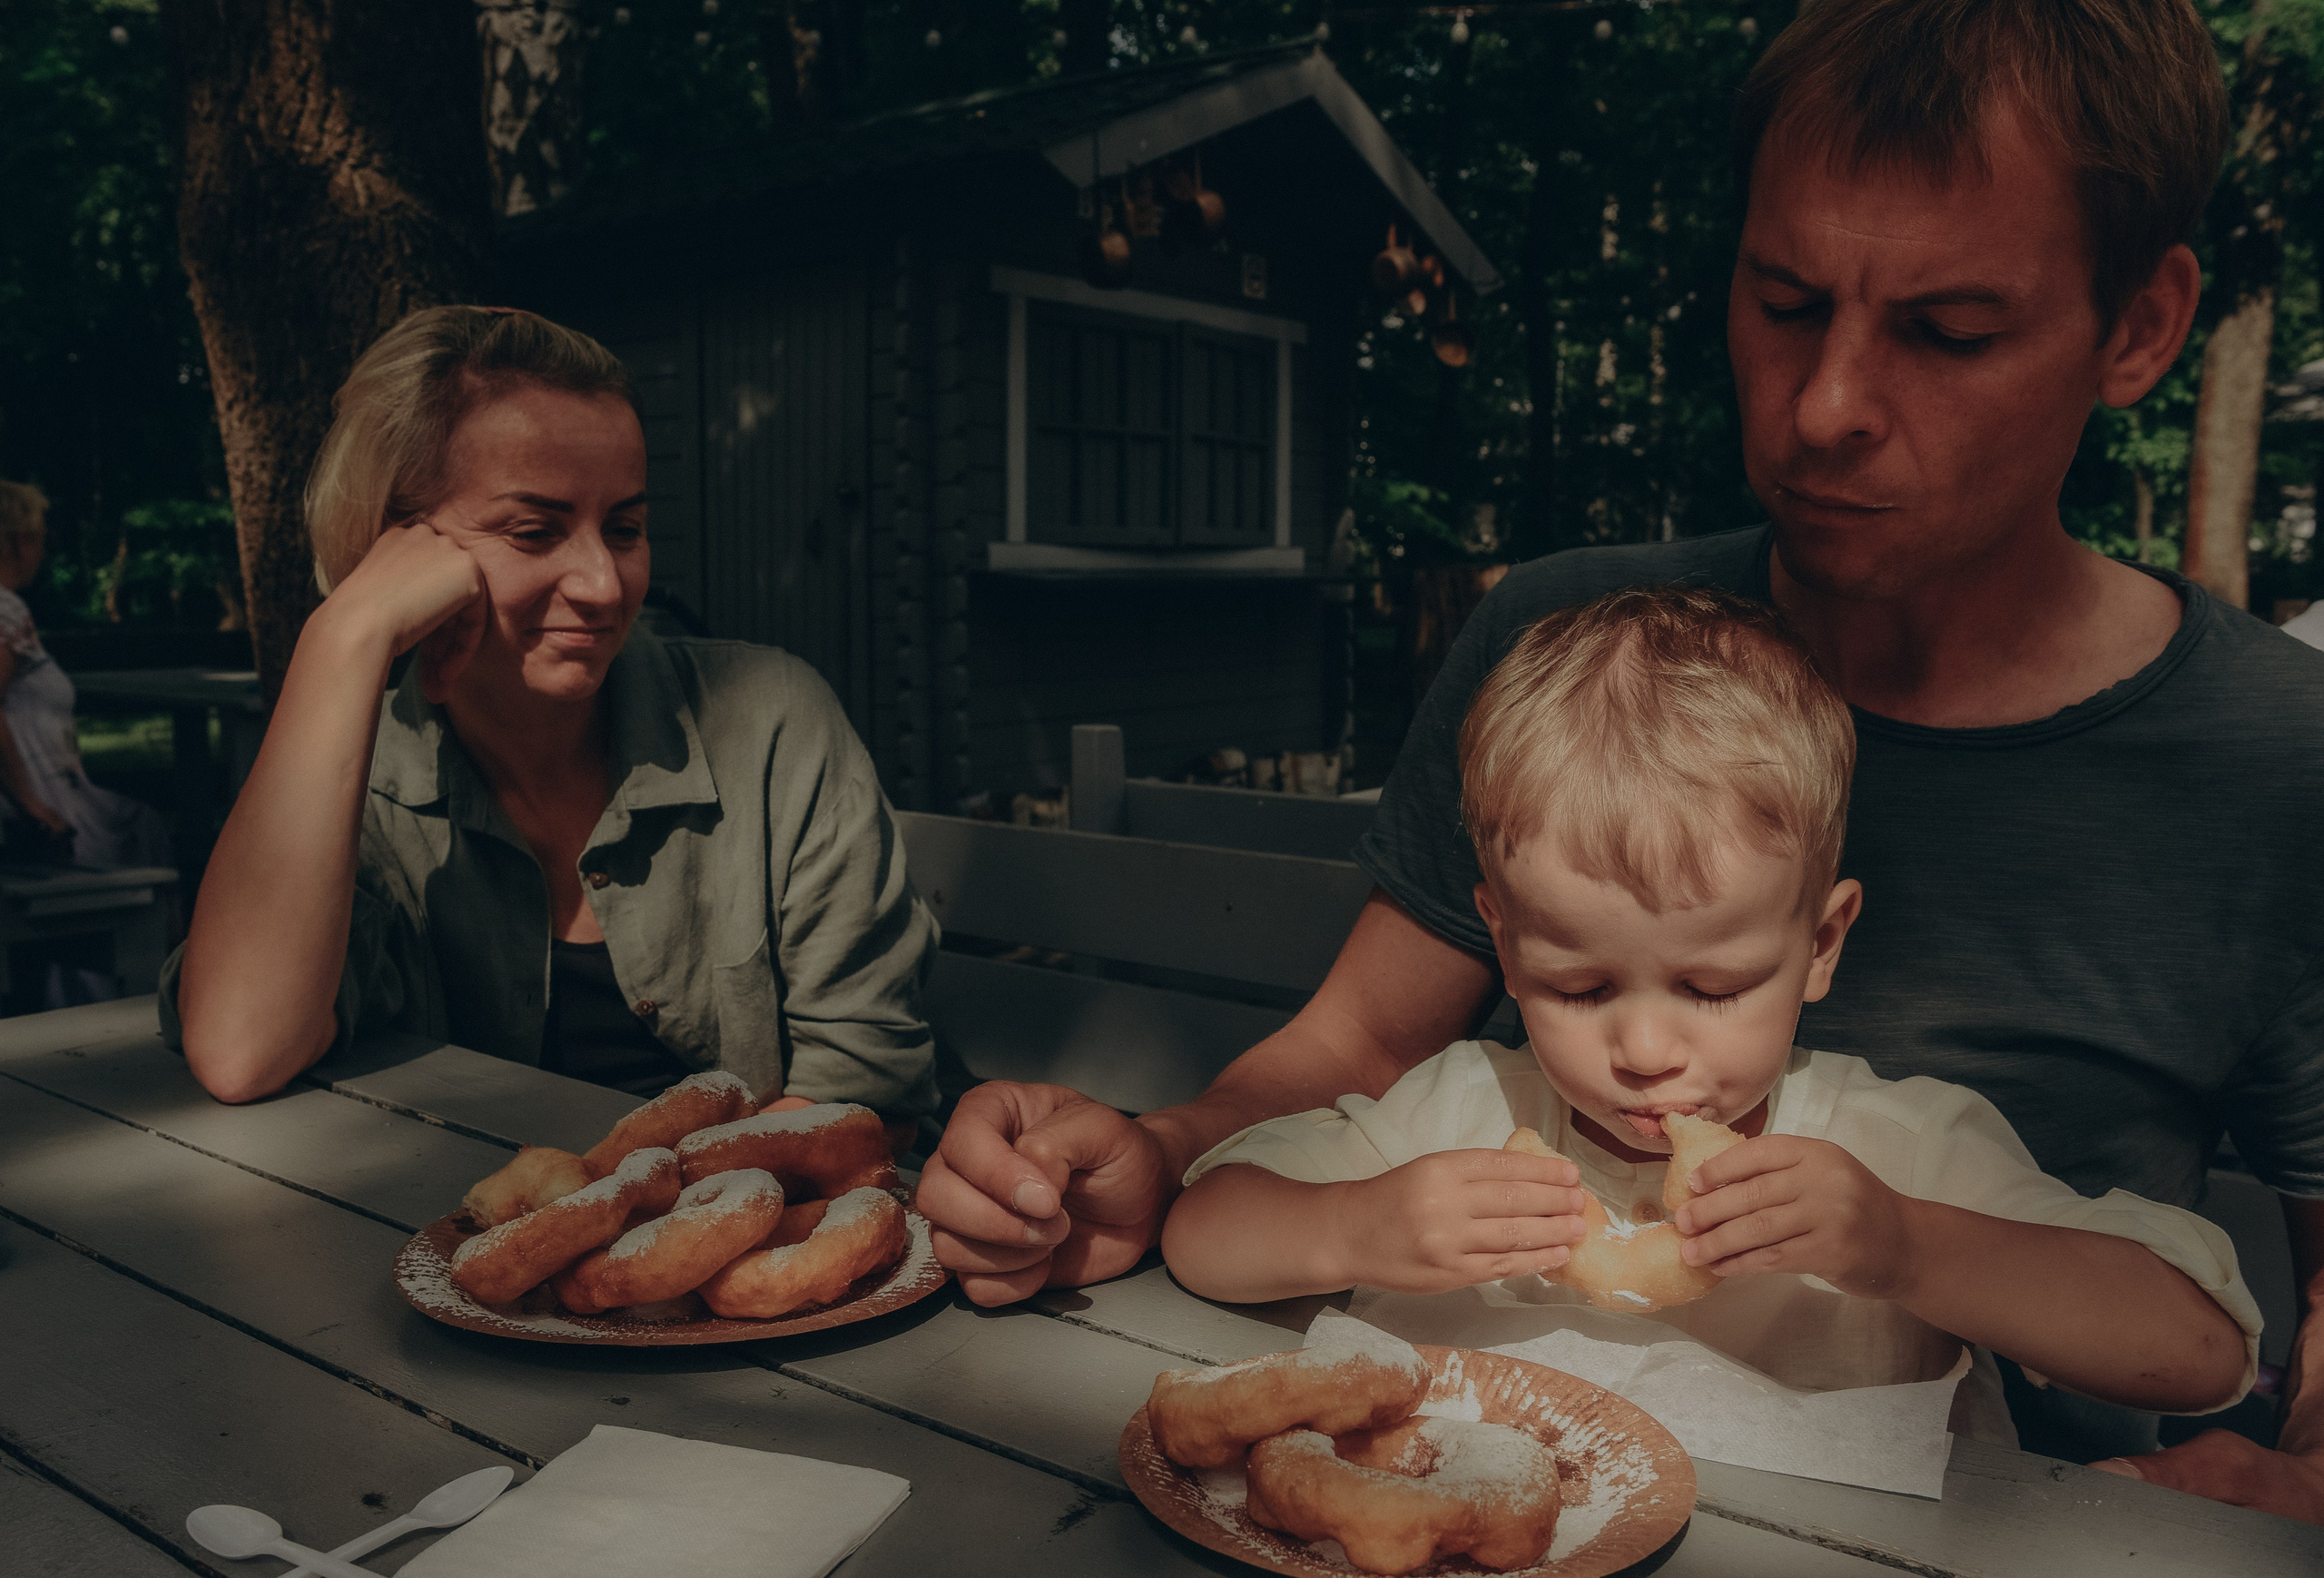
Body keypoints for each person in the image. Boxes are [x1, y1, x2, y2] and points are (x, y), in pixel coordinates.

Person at [918, 0, 2324, 1519]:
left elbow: (2233, 1321)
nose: (1826, 406)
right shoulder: (1564, 651)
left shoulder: (2280, 760)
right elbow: (1348, 1058)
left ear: (2142, 325)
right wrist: (1149, 1157)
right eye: (1784, 301)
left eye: (1950, 331)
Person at [1163, 587, 2257, 1437]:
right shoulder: (1463, 1108)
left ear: (1818, 944)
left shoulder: (1897, 1151)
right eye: (1580, 986)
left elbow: (2199, 1350)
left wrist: (1908, 1247)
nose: (1644, 1050)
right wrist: (1359, 1226)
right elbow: (1204, 1229)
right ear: (1504, 943)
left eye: (1712, 986)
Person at [170, 307, 939, 1118]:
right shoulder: (357, 788)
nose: (603, 586)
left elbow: (861, 1089)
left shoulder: (772, 723)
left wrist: (637, 1204)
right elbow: (240, 1048)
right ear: (400, 554)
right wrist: (343, 637)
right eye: (536, 531)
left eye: (625, 528)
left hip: (763, 1197)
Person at [0, 479, 170, 873]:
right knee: (146, 834)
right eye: (42, 538)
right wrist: (29, 802)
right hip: (39, 810)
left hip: (46, 796)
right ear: (22, 541)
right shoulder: (6, 611)